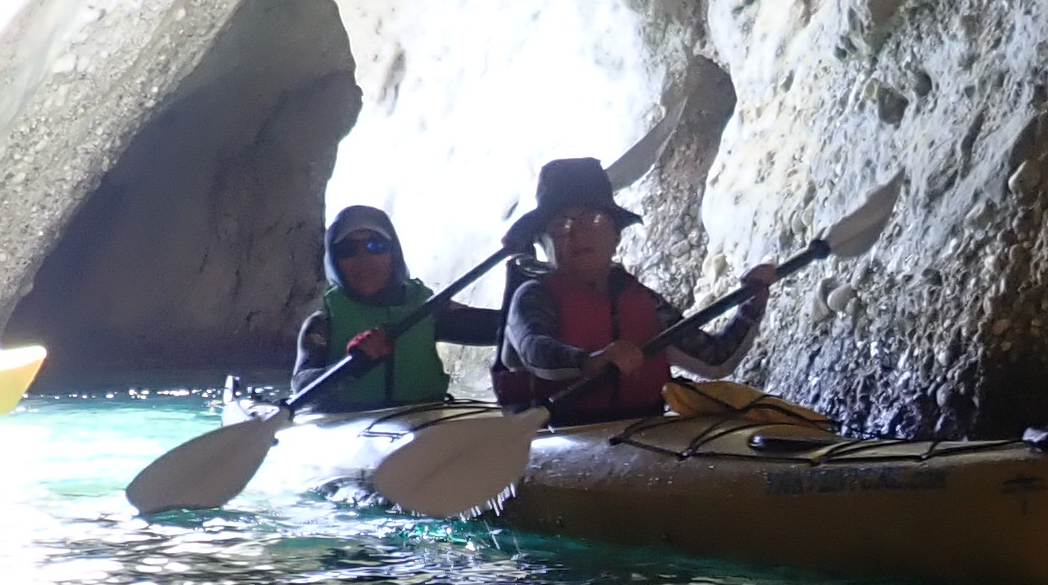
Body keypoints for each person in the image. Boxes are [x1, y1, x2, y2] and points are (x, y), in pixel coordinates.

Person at [494, 155, 783, 423]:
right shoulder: (531, 296)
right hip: (554, 444)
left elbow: (716, 361)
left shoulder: (643, 301)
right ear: (544, 244)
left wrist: (752, 304)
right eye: (560, 225)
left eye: (593, 219)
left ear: (615, 236)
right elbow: (535, 350)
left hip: (640, 439)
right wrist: (590, 361)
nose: (577, 232)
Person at [297, 202, 500, 409]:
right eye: (348, 250)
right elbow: (301, 385)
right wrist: (352, 366)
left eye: (375, 245)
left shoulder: (428, 310)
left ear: (393, 253)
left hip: (425, 422)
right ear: (334, 260)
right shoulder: (323, 323)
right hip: (349, 424)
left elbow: (504, 327)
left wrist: (527, 304)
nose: (363, 259)